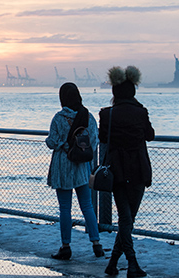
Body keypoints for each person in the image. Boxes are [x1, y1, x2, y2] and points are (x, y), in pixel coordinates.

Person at [99, 66, 154, 278]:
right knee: (128, 219)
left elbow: (103, 138)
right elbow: (150, 135)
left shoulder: (107, 114)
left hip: (117, 171)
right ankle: (131, 264)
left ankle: (113, 263)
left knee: (125, 218)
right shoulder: (141, 112)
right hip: (138, 169)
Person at [46, 82, 104, 260]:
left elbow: (52, 142)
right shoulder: (88, 116)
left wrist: (61, 145)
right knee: (87, 206)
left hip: (62, 166)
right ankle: (96, 244)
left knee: (65, 208)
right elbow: (94, 141)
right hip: (81, 166)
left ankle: (65, 246)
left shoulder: (58, 118)